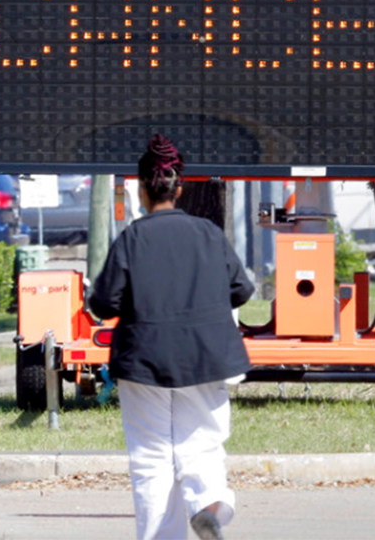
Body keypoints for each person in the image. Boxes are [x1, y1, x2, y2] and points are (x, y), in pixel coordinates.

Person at [88, 133, 254, 540]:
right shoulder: (209, 234)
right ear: (179, 187)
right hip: (207, 357)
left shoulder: (132, 238)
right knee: (203, 446)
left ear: (142, 188)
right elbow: (242, 290)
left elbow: (104, 302)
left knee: (151, 459)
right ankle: (209, 506)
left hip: (144, 361)